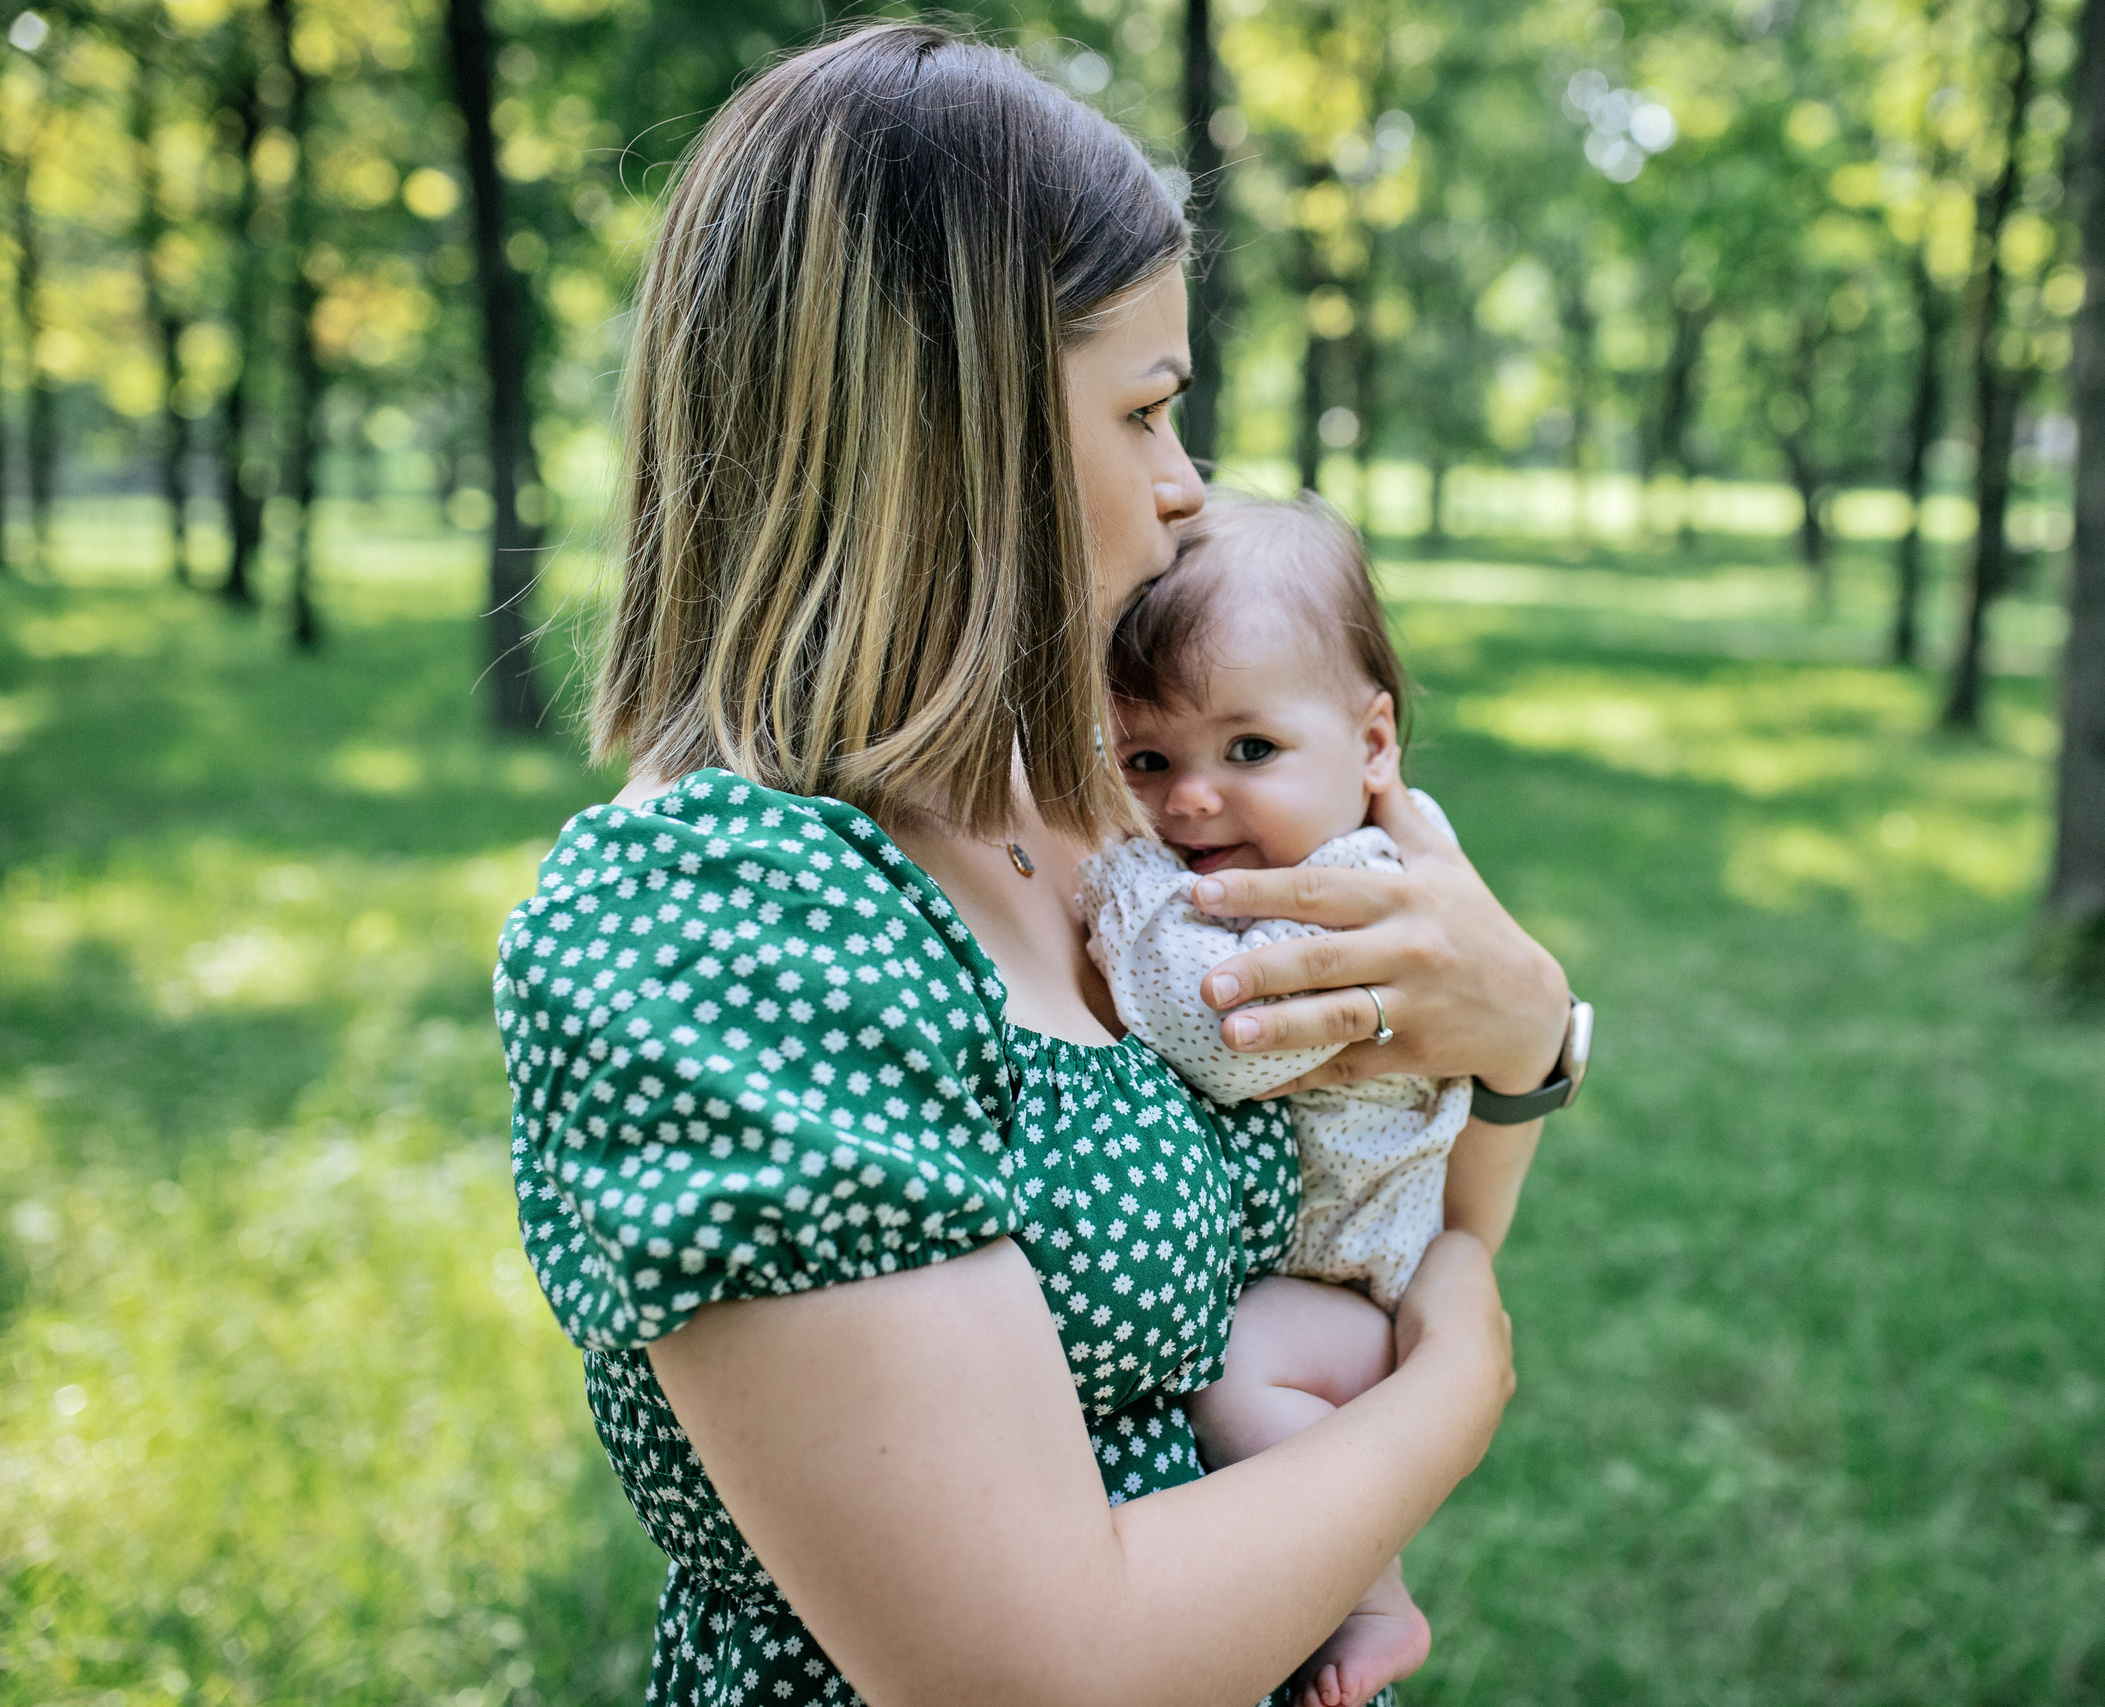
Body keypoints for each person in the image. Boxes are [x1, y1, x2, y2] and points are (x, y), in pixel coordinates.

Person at [492, 24, 1576, 1707]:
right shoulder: (724, 919)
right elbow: (1040, 1672)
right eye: (1144, 409)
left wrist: (1528, 1036)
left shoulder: (1091, 789)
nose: (1185, 486)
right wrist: (1456, 1390)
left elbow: (1408, 1107)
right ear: (954, 431)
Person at [1079, 490, 1553, 1707]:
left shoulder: (1344, 886)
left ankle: (1373, 1598)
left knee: (1234, 1375)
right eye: (1147, 761)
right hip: (1355, 1247)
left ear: (1373, 744)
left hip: (1345, 1267)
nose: (1189, 802)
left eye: (1248, 751)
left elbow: (1230, 1039)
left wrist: (1123, 885)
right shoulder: (1382, 851)